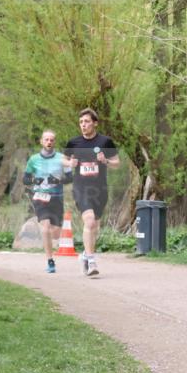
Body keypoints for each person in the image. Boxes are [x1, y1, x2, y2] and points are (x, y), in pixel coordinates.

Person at [63, 108, 119, 277]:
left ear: (95, 123)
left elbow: (117, 163)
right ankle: (92, 260)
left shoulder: (105, 142)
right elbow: (62, 159)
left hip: (100, 189)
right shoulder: (74, 143)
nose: (83, 125)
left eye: (87, 121)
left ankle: (86, 256)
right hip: (81, 188)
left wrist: (106, 160)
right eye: (81, 122)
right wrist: (69, 163)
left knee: (95, 226)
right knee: (89, 221)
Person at [23, 130, 71, 273]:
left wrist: (58, 180)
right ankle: (50, 261)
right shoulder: (33, 159)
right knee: (45, 227)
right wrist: (34, 180)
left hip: (57, 198)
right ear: (41, 141)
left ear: (54, 142)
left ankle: (50, 243)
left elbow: (70, 177)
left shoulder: (62, 158)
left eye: (51, 140)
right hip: (40, 197)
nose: (49, 142)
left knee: (55, 233)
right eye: (46, 139)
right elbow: (25, 179)